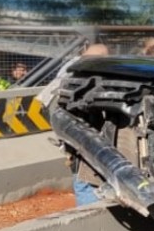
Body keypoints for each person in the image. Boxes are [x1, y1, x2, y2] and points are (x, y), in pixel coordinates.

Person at [36, 43, 111, 206]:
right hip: (72, 119)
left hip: (64, 116)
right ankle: (89, 207)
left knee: (83, 161)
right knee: (84, 165)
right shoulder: (89, 72)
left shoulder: (71, 66)